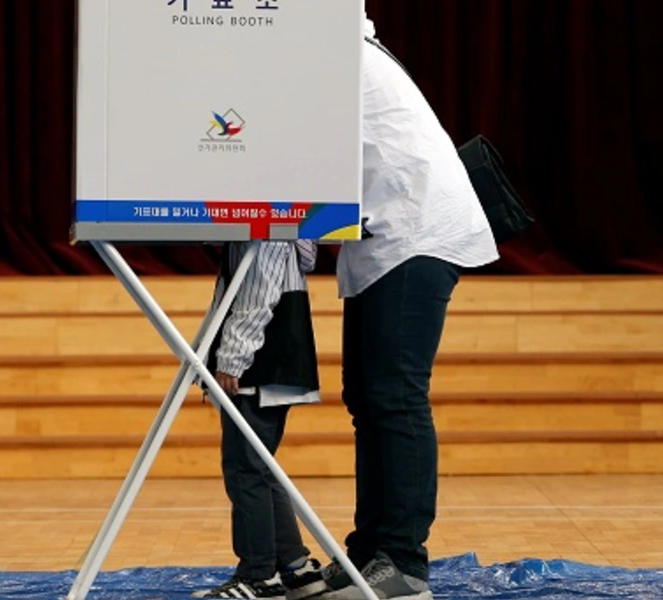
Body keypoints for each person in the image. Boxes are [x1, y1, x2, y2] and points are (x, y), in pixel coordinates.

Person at [320, 14, 500, 600]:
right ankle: (369, 555)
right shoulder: (338, 49)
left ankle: (401, 564)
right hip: (386, 236)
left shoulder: (333, 51)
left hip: (415, 231)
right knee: (368, 397)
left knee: (394, 395)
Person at [196, 240, 328, 600]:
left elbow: (259, 292)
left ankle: (258, 576)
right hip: (274, 355)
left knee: (245, 470)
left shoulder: (264, 219)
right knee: (260, 467)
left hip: (260, 361)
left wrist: (232, 357)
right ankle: (295, 568)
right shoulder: (280, 218)